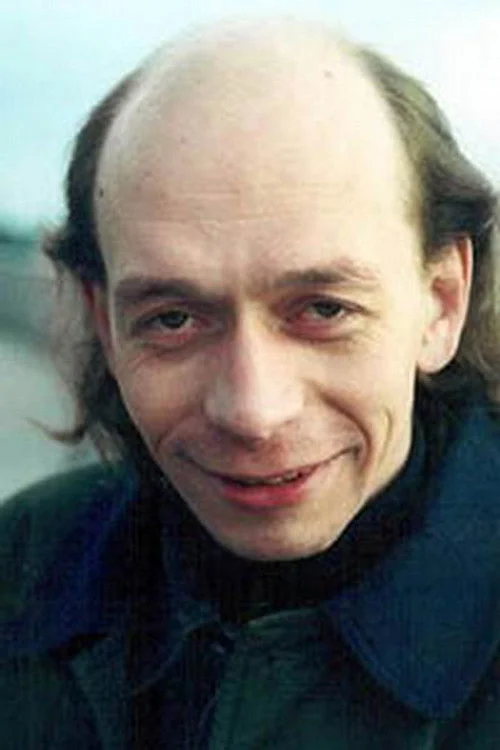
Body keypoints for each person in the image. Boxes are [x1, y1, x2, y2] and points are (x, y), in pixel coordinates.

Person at [1, 17, 499, 749]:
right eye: (173, 320)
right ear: (103, 322)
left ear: (441, 300)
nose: (253, 412)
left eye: (323, 309)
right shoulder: (21, 565)